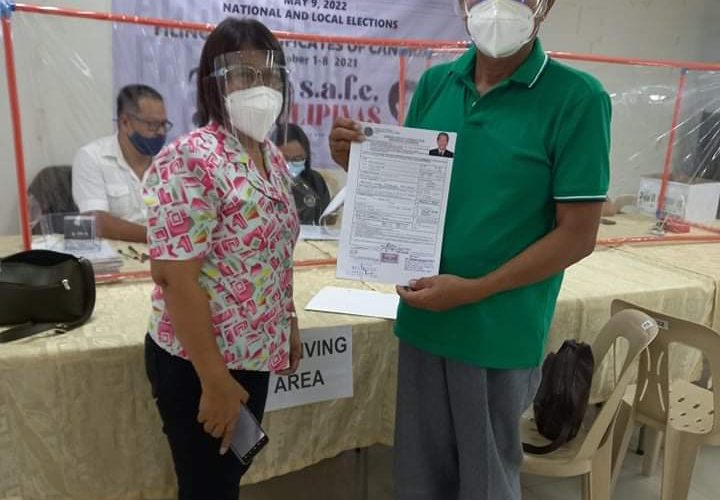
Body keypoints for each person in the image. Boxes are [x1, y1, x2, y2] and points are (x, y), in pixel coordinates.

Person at [329, 0, 610, 499]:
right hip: (423, 319)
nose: (496, 6)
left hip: (496, 333)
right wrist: (362, 163)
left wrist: (476, 289)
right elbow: (416, 193)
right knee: (418, 480)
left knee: (485, 484)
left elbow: (577, 235)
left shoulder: (577, 98)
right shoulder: (437, 84)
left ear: (544, 5)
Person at [142, 18, 301, 500]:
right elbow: (174, 279)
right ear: (214, 83)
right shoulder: (189, 158)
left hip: (254, 353)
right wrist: (215, 381)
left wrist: (287, 320)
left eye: (269, 74)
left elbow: (274, 252)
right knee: (207, 489)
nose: (261, 87)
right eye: (244, 74)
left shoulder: (271, 157)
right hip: (201, 361)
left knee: (226, 479)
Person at [72, 84, 170, 243]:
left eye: (164, 125)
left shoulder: (169, 160)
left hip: (166, 252)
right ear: (125, 123)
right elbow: (97, 222)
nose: (161, 132)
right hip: (118, 253)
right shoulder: (91, 157)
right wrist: (158, 237)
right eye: (153, 125)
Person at [274, 123, 332, 225]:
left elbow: (325, 220)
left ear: (306, 156)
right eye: (284, 159)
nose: (289, 165)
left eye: (297, 159)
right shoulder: (263, 182)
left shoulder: (316, 181)